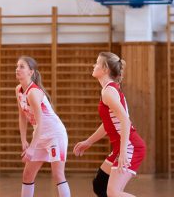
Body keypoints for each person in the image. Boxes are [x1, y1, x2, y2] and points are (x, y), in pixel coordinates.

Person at [74, 52, 146, 197]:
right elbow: (109, 124)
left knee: (113, 193)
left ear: (105, 69)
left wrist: (124, 151)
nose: (94, 65)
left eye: (97, 63)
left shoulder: (108, 92)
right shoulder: (108, 89)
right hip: (121, 146)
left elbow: (125, 120)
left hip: (130, 145)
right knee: (100, 185)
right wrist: (89, 141)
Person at [15, 56, 70, 197]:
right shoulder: (19, 90)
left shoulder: (33, 93)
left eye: (22, 66)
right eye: (17, 66)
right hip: (39, 135)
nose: (17, 69)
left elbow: (40, 122)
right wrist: (23, 140)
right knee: (27, 174)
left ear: (31, 72)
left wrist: (32, 147)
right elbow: (22, 116)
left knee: (58, 174)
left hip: (54, 134)